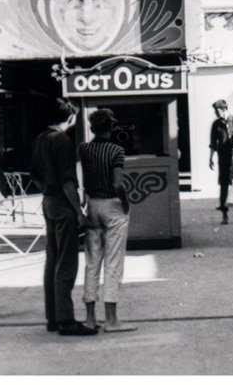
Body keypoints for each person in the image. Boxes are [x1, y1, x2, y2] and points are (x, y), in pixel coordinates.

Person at [30, 98, 97, 336]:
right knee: (66, 263)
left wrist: (49, 191)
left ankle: (53, 317)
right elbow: (69, 182)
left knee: (52, 260)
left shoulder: (40, 139)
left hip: (48, 201)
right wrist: (79, 212)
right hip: (62, 202)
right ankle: (66, 320)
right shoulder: (63, 141)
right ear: (70, 118)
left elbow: (35, 176)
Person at [79, 108, 136, 333]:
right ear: (110, 128)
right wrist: (125, 203)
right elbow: (117, 183)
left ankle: (91, 318)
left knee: (92, 262)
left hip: (92, 204)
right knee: (113, 263)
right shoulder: (116, 150)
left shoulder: (84, 149)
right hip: (112, 206)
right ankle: (111, 319)